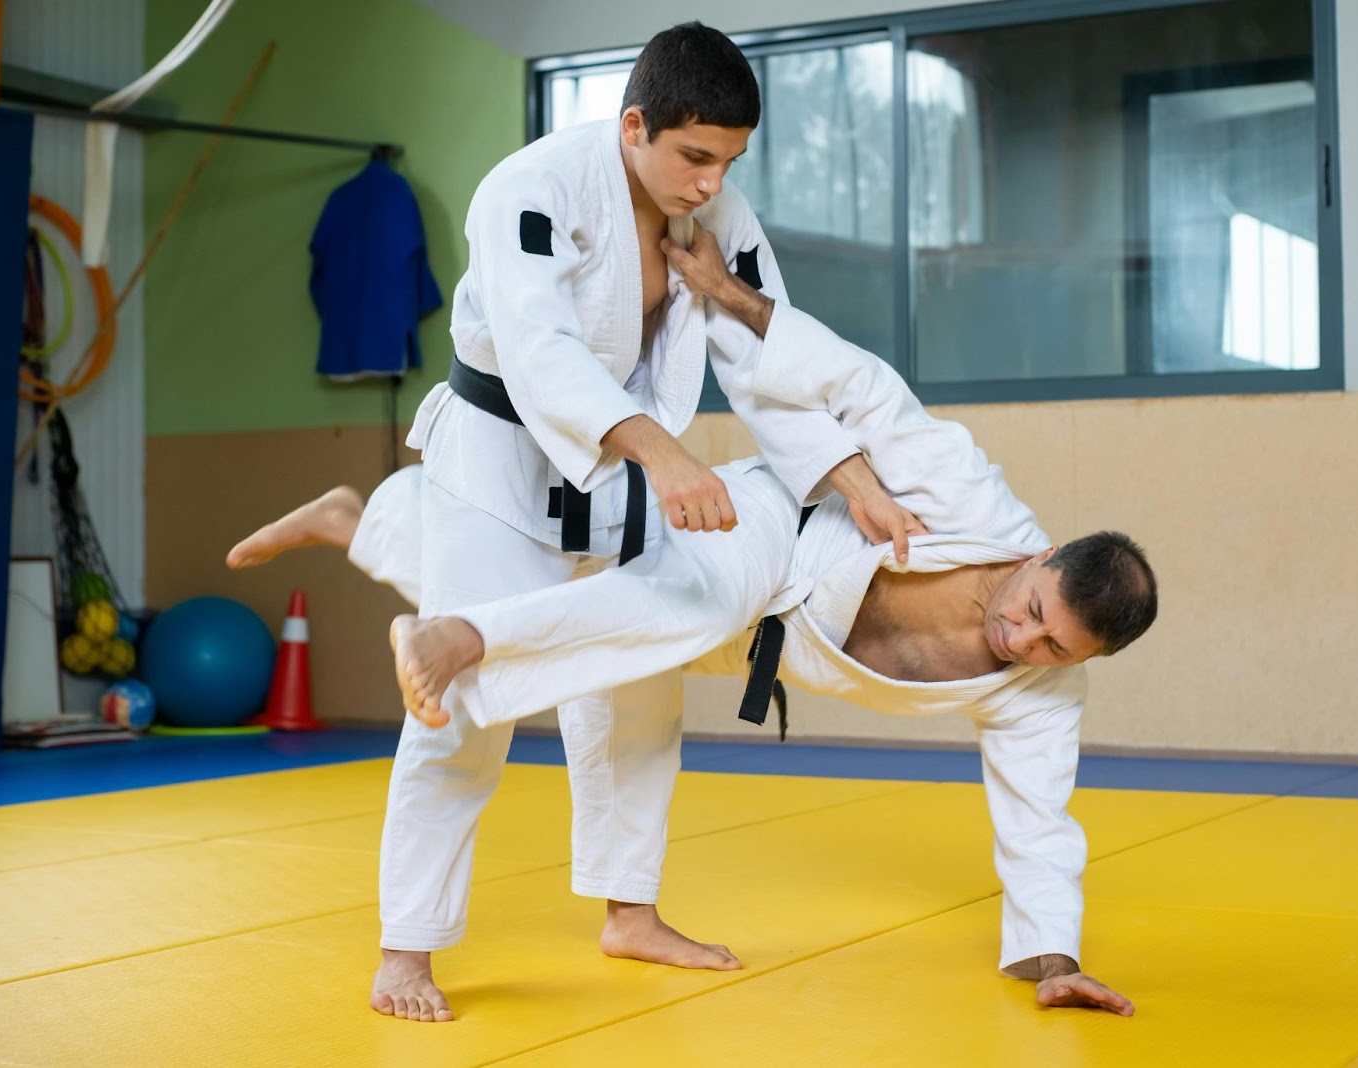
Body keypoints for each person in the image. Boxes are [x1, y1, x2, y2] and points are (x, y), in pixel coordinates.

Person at [229, 228, 1157, 1017]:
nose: (1023, 643)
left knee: (630, 706)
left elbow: (1040, 823)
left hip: (765, 644)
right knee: (675, 604)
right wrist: (731, 296)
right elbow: (862, 384)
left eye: (1054, 647)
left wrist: (1057, 963)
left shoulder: (1042, 690)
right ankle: (467, 639)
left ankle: (366, 527)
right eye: (1033, 613)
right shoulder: (976, 500)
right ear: (1040, 559)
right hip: (770, 530)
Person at [271, 20, 920, 1023]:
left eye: (729, 160)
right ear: (633, 126)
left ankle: (630, 911)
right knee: (465, 698)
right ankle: (407, 950)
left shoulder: (719, 215)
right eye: (693, 155)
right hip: (499, 458)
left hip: (622, 477)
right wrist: (663, 456)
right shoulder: (527, 188)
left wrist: (852, 472)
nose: (711, 182)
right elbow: (535, 352)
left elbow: (764, 353)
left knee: (637, 691)